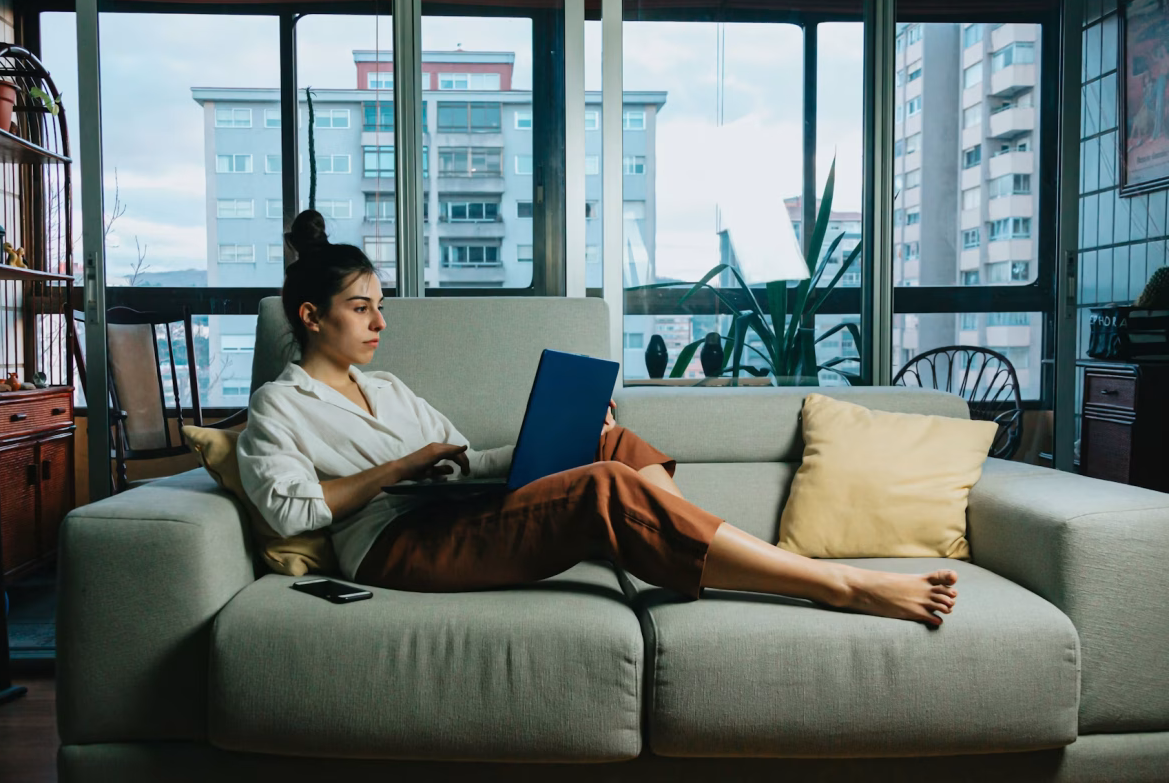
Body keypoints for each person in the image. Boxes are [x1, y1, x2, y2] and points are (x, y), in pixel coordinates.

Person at [237, 211, 959, 627]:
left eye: (380, 306)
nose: (379, 323)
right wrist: (399, 468)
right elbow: (291, 507)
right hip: (394, 547)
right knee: (604, 488)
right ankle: (834, 584)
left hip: (451, 512)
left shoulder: (388, 387)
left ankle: (691, 545)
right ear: (310, 316)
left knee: (608, 442)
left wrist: (561, 433)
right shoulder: (279, 405)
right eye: (362, 308)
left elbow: (459, 460)